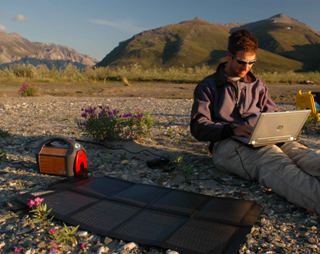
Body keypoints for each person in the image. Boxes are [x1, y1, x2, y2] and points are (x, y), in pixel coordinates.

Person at [190, 29, 320, 214]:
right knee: (274, 161)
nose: (246, 68)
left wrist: (280, 128)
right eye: (242, 62)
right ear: (229, 56)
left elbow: (273, 113)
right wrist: (232, 128)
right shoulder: (208, 85)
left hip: (265, 137)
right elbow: (198, 126)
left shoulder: (258, 85)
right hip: (227, 144)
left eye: (251, 63)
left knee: (306, 156)